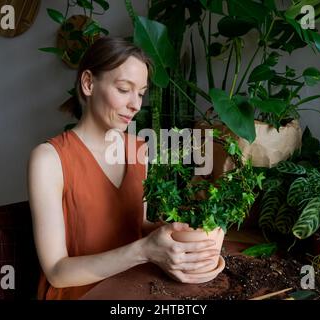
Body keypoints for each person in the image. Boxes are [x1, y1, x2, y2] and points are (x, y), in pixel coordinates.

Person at [27, 37, 219, 300]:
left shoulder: (139, 148)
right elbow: (57, 272)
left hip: (134, 288)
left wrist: (176, 231)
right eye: (123, 89)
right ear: (88, 83)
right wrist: (144, 250)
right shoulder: (48, 159)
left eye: (140, 93)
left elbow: (136, 225)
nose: (136, 105)